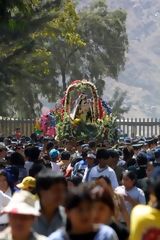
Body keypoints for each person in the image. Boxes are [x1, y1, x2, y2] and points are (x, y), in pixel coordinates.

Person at [48, 184, 118, 240]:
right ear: (67, 211)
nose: (85, 214)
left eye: (89, 208)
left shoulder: (107, 235)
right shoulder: (56, 238)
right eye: (80, 210)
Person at [33, 169, 67, 236]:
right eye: (56, 190)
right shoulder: (26, 215)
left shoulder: (68, 216)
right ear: (41, 190)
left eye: (63, 190)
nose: (61, 195)